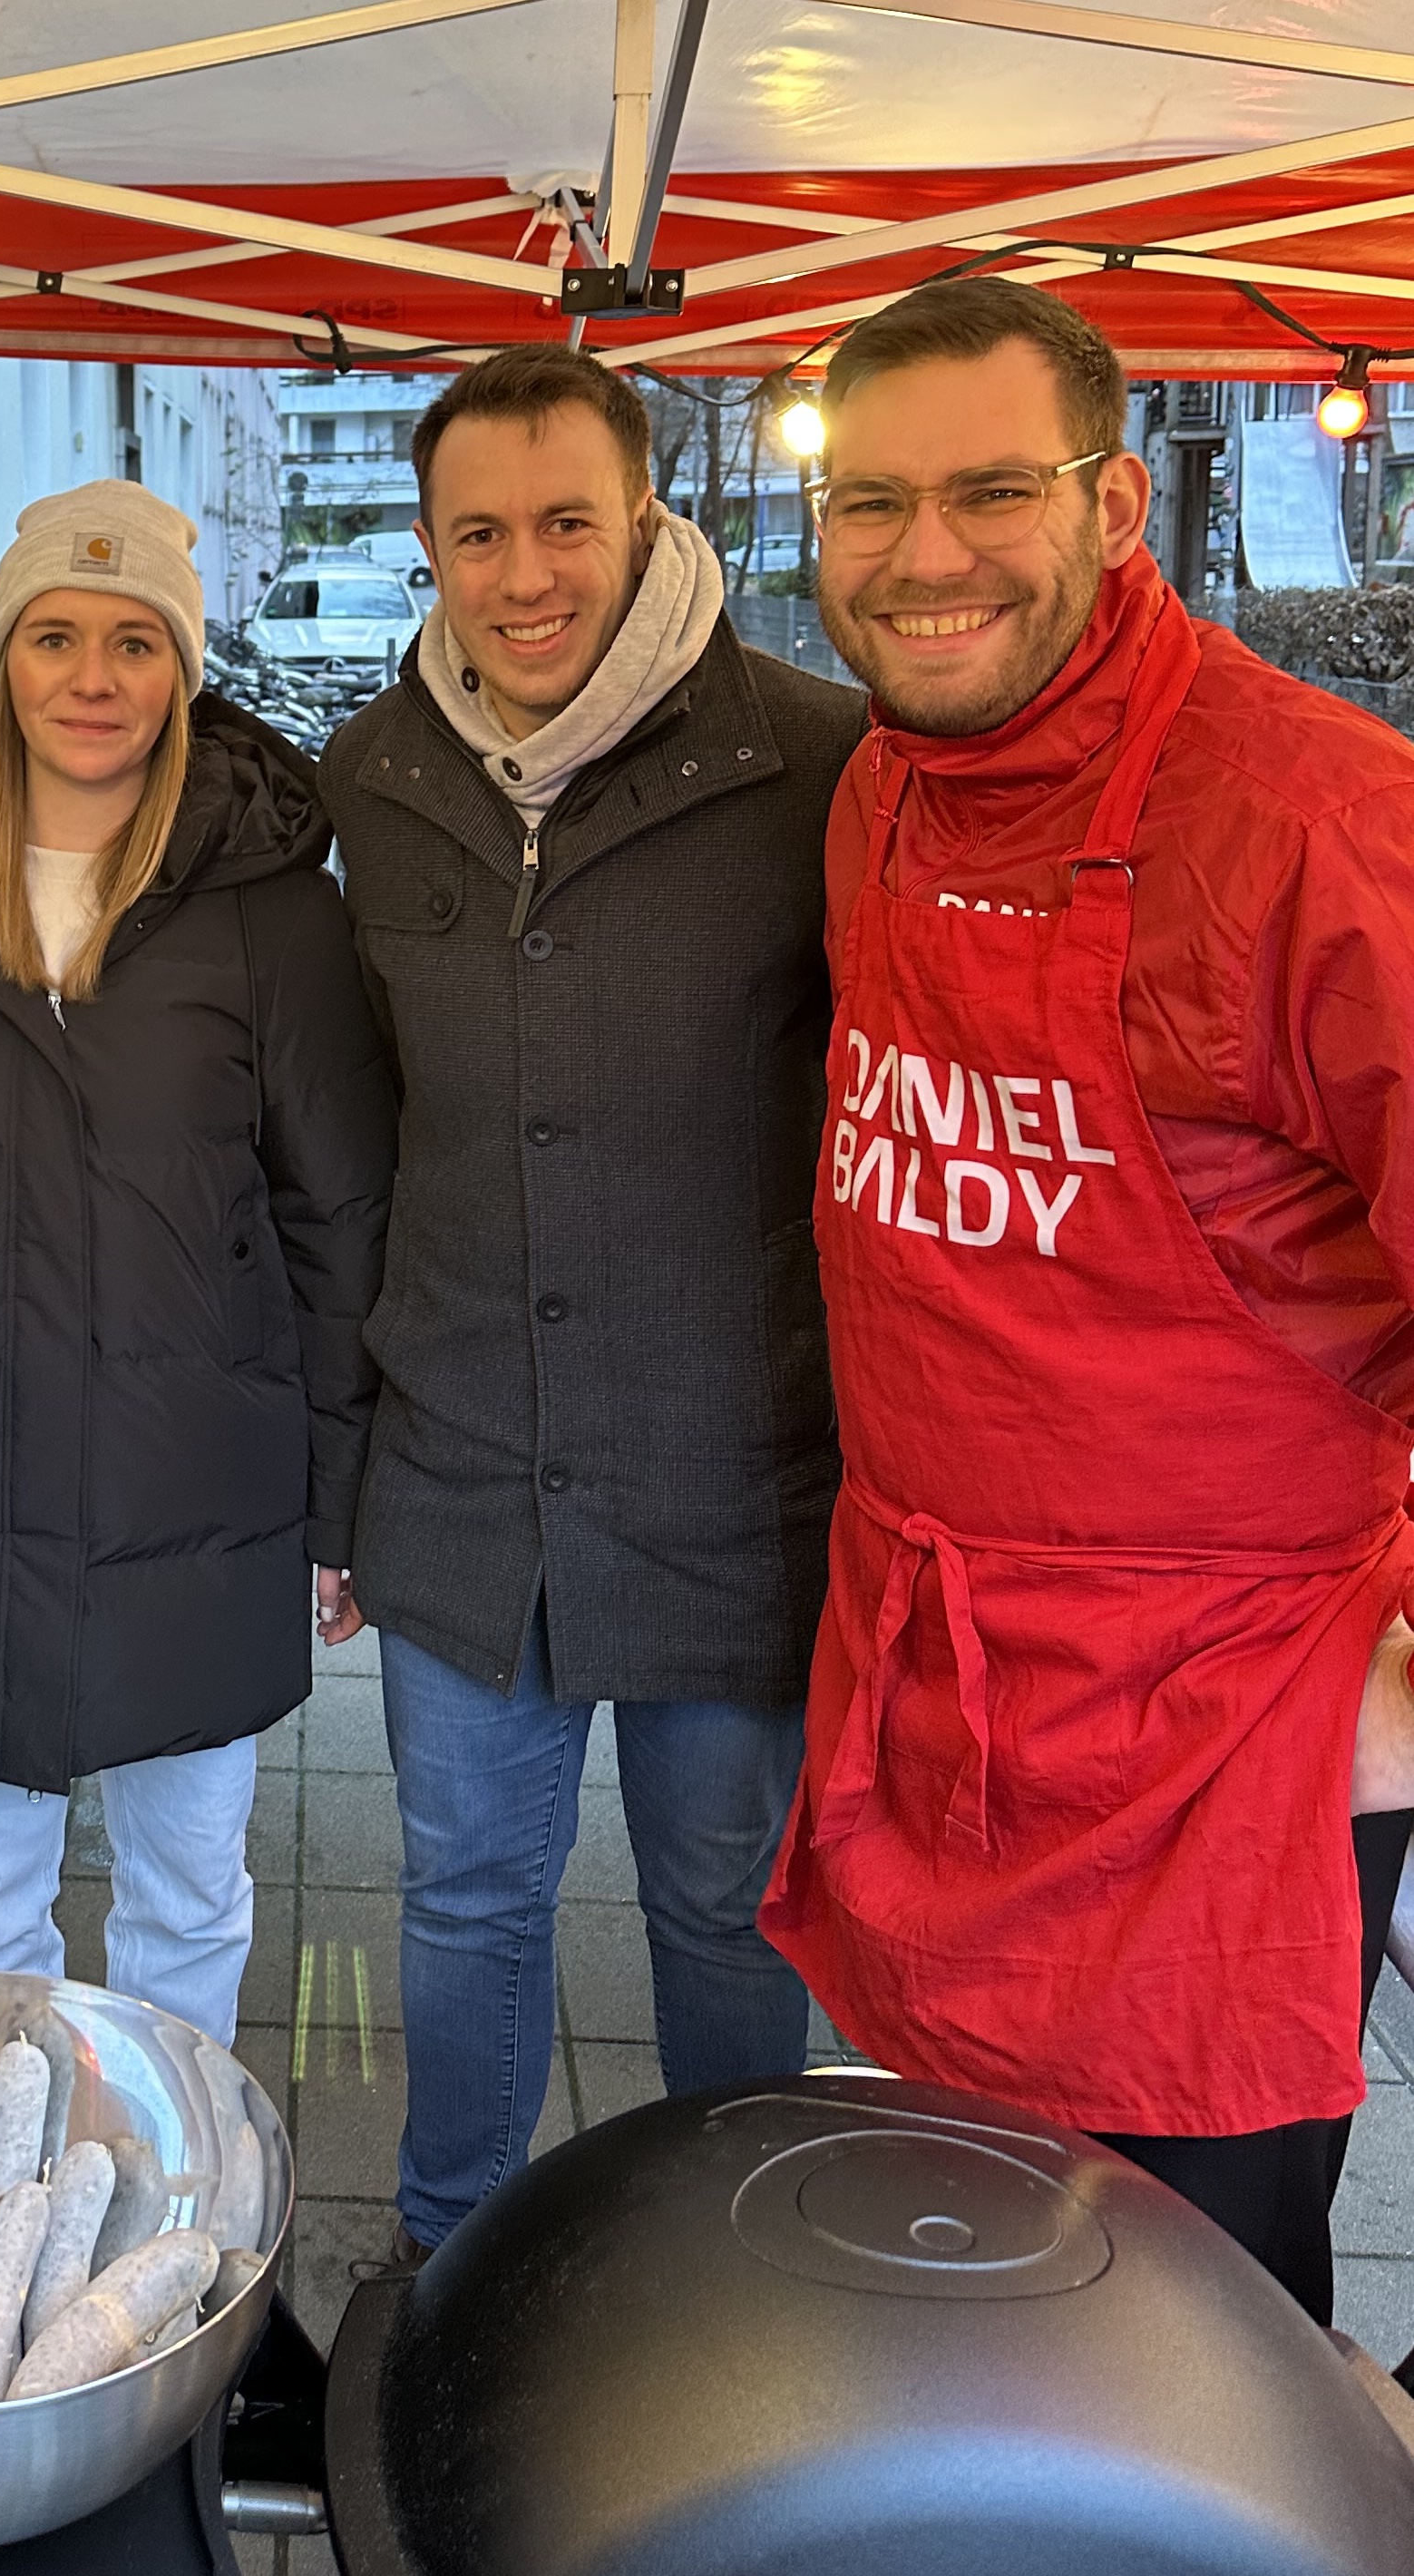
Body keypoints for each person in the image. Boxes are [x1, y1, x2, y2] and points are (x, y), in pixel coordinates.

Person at [764, 273, 1414, 2330]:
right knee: (950, 2277)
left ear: (1118, 504)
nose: (921, 557)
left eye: (988, 492)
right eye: (868, 503)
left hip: (1211, 1744)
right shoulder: (882, 784)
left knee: (1186, 2341)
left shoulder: (1313, 820)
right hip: (929, 1687)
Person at [317, 347, 867, 2260]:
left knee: (721, 1892)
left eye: (567, 523)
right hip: (463, 1448)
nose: (525, 572)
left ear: (646, 521)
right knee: (469, 1891)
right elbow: (356, 1120)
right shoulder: (375, 778)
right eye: (480, 532)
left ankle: (741, 2259)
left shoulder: (813, 759)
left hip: (731, 1454)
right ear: (431, 547)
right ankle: (449, 2255)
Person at [0, 483, 395, 2046]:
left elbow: (338, 1212)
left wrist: (341, 1497)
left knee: (188, 1887)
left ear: (184, 667)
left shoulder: (271, 912)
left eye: (134, 641)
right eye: (53, 636)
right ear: (3, 660)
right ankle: (0, 2222)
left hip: (203, 1487)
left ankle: (178, 2217)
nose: (92, 678)